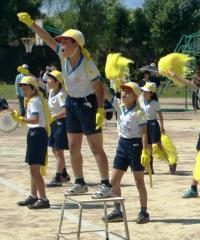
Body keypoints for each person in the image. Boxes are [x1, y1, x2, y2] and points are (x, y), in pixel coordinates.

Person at [18, 12, 111, 198]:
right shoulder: (63, 56)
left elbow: (99, 88)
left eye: (66, 41)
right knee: (73, 146)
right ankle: (79, 182)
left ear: (76, 44)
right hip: (72, 102)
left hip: (88, 103)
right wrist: (31, 25)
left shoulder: (87, 64)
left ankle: (105, 184)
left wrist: (100, 109)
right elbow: (46, 38)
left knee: (95, 147)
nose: (62, 44)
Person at [105, 82, 150, 223]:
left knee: (139, 181)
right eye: (122, 91)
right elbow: (106, 94)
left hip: (136, 146)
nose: (123, 93)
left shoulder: (139, 112)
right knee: (113, 181)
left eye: (127, 91)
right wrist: (95, 80)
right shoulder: (119, 105)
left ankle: (144, 212)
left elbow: (144, 134)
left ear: (135, 96)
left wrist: (145, 151)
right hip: (122, 145)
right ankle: (117, 210)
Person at [11, 76, 51, 209]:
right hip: (37, 134)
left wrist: (20, 119)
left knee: (34, 170)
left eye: (25, 86)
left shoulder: (34, 101)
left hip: (37, 135)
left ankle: (43, 199)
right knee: (33, 169)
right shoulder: (35, 99)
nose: (22, 88)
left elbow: (34, 119)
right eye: (21, 86)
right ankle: (34, 196)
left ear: (33, 88)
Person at [139, 82, 176, 174]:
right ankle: (149, 168)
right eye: (143, 91)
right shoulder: (140, 99)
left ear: (151, 93)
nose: (144, 93)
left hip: (153, 125)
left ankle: (171, 162)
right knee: (148, 147)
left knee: (159, 146)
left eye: (146, 91)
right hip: (144, 124)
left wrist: (162, 127)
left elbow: (160, 116)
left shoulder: (155, 103)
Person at [46, 70, 71, 187]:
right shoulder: (51, 91)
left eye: (50, 79)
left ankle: (58, 177)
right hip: (53, 123)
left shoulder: (61, 94)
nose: (47, 80)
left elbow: (65, 111)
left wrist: (54, 116)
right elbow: (38, 83)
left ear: (57, 82)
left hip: (61, 123)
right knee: (54, 149)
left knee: (58, 150)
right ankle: (64, 174)